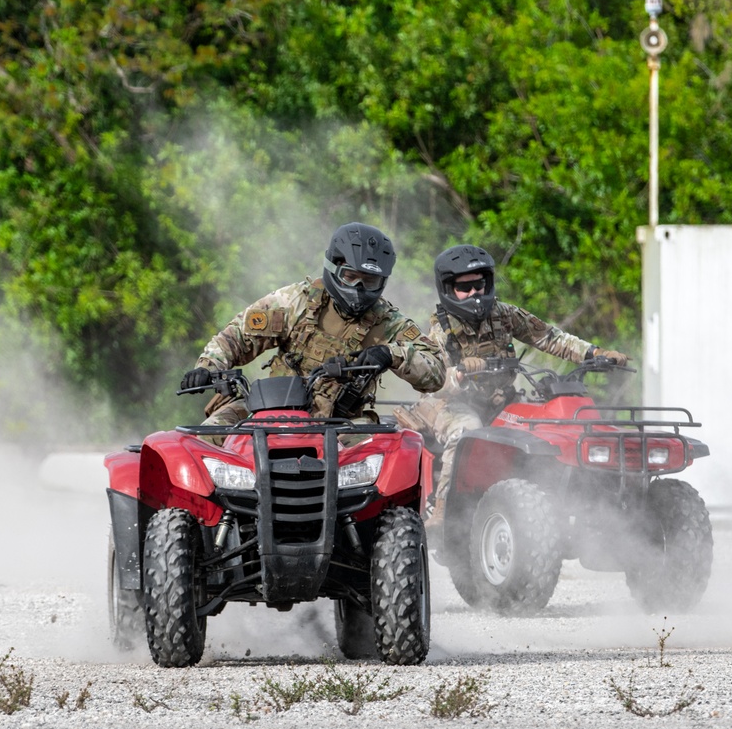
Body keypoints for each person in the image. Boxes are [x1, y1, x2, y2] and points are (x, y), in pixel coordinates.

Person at [402, 244, 628, 529]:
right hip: (452, 406)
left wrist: (594, 353)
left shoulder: (504, 314)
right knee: (466, 431)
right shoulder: (440, 330)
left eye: (480, 285)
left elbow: (550, 337)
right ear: (448, 289)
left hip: (503, 401)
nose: (475, 293)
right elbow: (430, 379)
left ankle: (555, 506)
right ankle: (444, 517)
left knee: (546, 427)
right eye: (465, 287)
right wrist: (458, 374)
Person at [180, 222, 446, 428]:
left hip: (344, 425)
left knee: (391, 461)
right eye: (350, 277)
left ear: (383, 282)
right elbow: (237, 336)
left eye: (369, 281)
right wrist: (207, 367)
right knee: (209, 437)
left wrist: (392, 355)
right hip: (271, 411)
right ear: (332, 267)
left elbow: (436, 372)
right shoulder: (296, 301)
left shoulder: (388, 322)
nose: (358, 288)